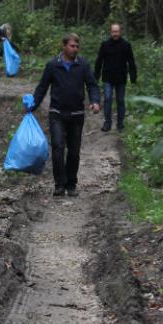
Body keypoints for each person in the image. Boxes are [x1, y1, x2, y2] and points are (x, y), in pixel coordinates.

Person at [30, 33, 100, 197]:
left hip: (77, 114)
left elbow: (92, 85)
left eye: (77, 46)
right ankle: (59, 185)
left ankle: (71, 184)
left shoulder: (83, 65)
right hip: (57, 113)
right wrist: (32, 105)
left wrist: (95, 101)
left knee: (74, 151)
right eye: (72, 46)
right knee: (58, 147)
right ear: (64, 46)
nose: (75, 49)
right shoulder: (53, 65)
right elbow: (42, 87)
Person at [94, 23, 137, 132]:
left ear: (120, 32)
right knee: (108, 99)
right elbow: (99, 61)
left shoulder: (126, 45)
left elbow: (131, 61)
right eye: (113, 32)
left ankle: (120, 124)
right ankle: (107, 123)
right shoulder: (105, 45)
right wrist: (96, 76)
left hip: (121, 77)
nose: (115, 34)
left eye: (117, 32)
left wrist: (133, 76)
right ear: (110, 32)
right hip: (108, 77)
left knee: (120, 101)